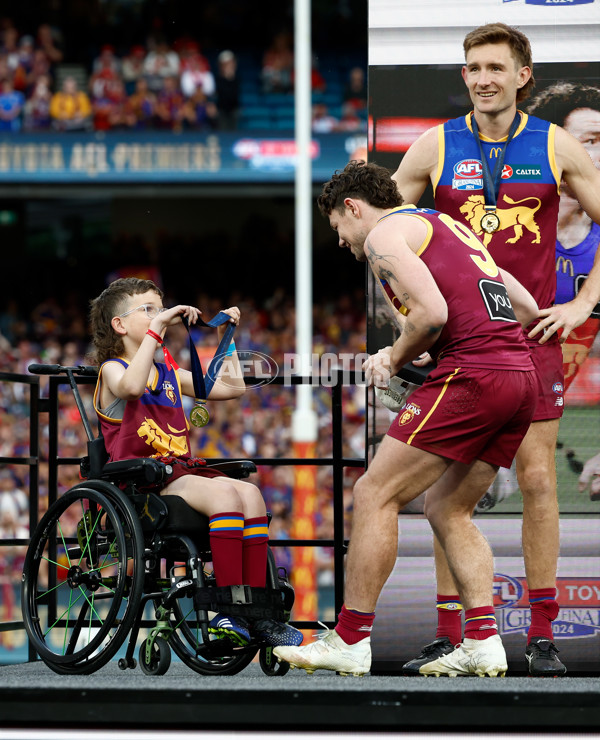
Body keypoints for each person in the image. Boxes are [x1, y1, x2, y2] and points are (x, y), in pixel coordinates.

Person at [390, 22, 600, 677]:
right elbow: (386, 231)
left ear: (521, 76)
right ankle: (453, 634)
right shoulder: (433, 145)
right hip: (455, 341)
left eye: (495, 68)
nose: (483, 78)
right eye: (473, 67)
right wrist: (408, 313)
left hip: (529, 339)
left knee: (538, 482)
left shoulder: (556, 143)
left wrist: (583, 303)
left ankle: (541, 635)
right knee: (449, 489)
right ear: (465, 76)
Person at [274, 160, 539, 677]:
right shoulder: (449, 225)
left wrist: (393, 356)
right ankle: (484, 641)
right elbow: (524, 306)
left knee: (375, 493)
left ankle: (350, 639)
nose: (342, 241)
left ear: (352, 207)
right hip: (518, 377)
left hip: (474, 375)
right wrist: (446, 344)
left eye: (337, 228)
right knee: (449, 508)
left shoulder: (384, 235)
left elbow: (432, 314)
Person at [89, 277, 303, 649]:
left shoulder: (169, 372)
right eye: (148, 309)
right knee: (225, 499)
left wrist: (229, 339)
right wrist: (158, 329)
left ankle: (256, 613)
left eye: (160, 307)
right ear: (119, 325)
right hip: (140, 480)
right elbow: (132, 388)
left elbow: (231, 389)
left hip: (176, 471)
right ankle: (225, 611)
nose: (160, 315)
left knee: (250, 494)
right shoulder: (113, 369)